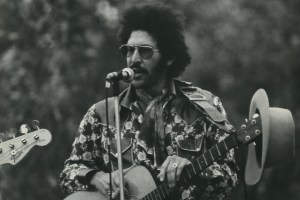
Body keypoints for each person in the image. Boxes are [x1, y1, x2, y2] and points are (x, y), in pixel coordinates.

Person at [59, 3, 238, 200]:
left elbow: (229, 177)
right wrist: (96, 177)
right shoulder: (101, 114)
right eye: (128, 50)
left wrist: (195, 173)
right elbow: (69, 174)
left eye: (145, 51)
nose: (133, 59)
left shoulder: (205, 106)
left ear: (169, 57)